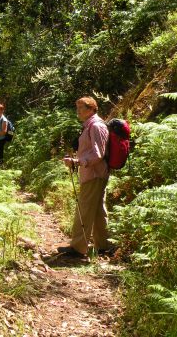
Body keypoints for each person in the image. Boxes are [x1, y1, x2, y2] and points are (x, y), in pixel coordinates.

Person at [60, 96, 111, 259]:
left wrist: (77, 161)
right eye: (78, 108)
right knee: (97, 211)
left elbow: (98, 154)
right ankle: (102, 246)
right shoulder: (91, 125)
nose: (78, 111)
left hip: (94, 174)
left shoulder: (96, 126)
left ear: (91, 109)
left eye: (81, 108)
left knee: (84, 209)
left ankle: (77, 248)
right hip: (96, 174)